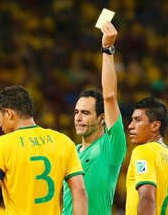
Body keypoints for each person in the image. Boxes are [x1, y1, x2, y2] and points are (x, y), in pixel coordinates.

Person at [0, 85, 88, 215]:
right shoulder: (63, 142)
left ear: (8, 113)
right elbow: (80, 192)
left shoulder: (1, 145)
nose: (0, 124)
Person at [62, 22, 127, 214]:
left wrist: (107, 49)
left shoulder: (111, 146)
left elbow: (109, 97)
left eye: (85, 112)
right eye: (76, 112)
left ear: (101, 119)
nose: (78, 118)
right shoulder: (70, 151)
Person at [125, 97, 168, 215]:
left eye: (137, 120)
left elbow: (147, 196)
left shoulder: (143, 151)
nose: (130, 125)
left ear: (155, 126)